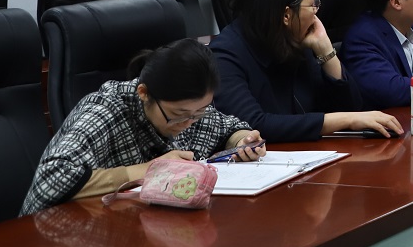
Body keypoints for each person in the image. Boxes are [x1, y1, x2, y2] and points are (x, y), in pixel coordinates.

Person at [21, 40, 265, 215]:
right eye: (178, 116)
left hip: (134, 223)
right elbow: (51, 178)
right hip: (59, 235)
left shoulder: (189, 108)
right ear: (143, 93)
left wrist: (242, 141)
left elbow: (228, 127)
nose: (189, 123)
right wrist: (149, 169)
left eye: (200, 111)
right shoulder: (105, 109)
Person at [212, 0, 404, 141]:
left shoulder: (295, 39)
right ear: (286, 15)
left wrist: (326, 51)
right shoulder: (224, 55)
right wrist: (346, 120)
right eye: (312, 5)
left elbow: (351, 108)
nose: (316, 12)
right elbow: (252, 125)